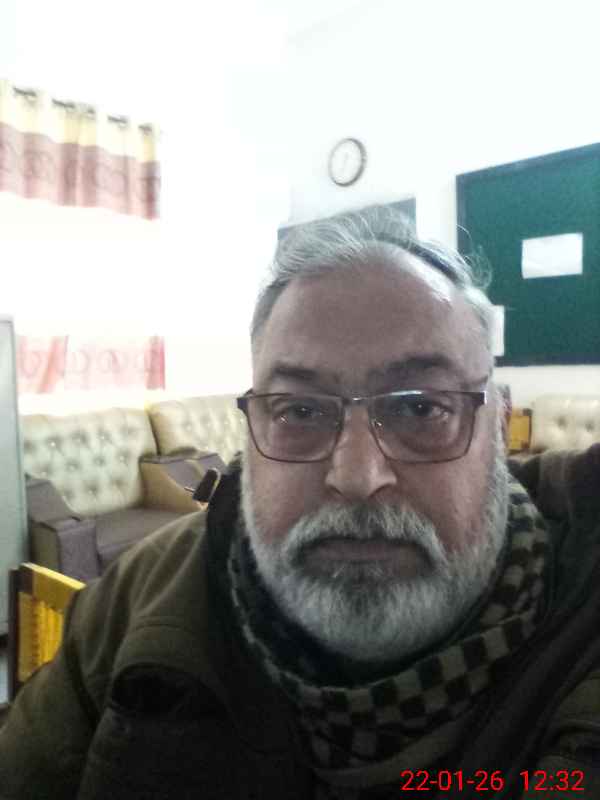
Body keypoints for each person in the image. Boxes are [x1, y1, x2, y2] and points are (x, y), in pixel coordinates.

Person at [2, 205, 600, 800]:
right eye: (301, 411)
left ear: (498, 426)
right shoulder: (134, 603)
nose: (357, 477)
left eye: (421, 408)